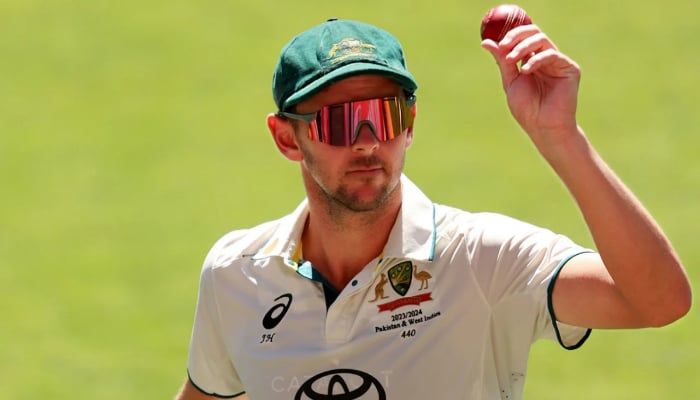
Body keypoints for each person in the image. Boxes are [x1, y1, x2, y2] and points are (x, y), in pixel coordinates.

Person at [175, 18, 691, 400]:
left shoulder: (485, 259)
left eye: (386, 115)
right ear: (287, 138)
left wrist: (561, 137)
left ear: (410, 124)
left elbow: (659, 303)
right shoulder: (234, 273)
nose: (367, 141)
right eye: (340, 121)